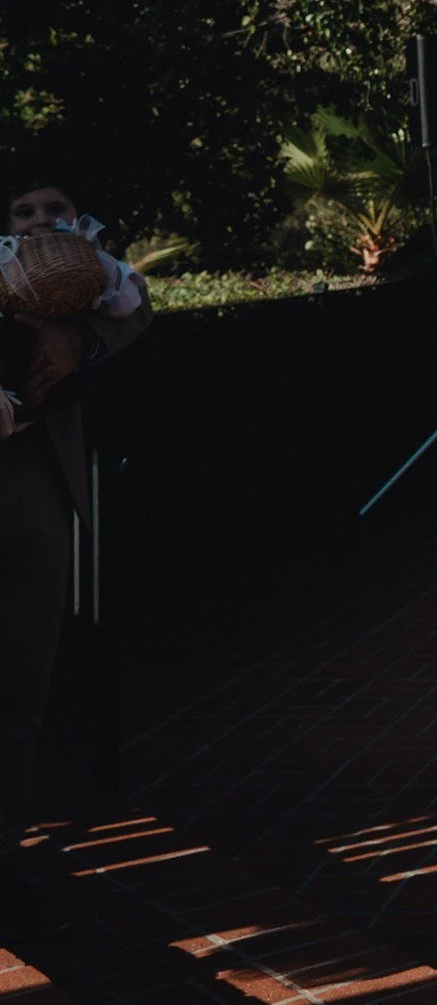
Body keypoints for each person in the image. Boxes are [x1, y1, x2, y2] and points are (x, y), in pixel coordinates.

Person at [1, 169, 152, 933]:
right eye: (20, 211)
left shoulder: (84, 264)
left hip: (35, 476)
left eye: (50, 208)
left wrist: (78, 337)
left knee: (23, 681)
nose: (36, 221)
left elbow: (134, 305)